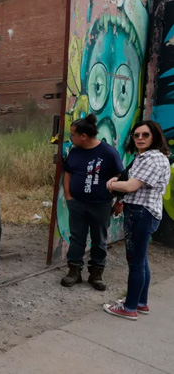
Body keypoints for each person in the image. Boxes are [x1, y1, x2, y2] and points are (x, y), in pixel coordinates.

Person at [104, 120, 171, 320]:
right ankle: (140, 303)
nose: (140, 138)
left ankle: (130, 307)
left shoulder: (153, 158)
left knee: (135, 262)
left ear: (155, 137)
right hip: (141, 212)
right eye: (136, 135)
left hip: (142, 214)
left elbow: (132, 186)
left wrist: (113, 184)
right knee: (141, 261)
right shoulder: (144, 157)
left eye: (145, 135)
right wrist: (120, 182)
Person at [61, 114, 124, 290]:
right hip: (77, 204)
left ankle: (96, 274)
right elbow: (68, 173)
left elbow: (120, 177)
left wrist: (119, 201)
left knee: (99, 240)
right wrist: (68, 197)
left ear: (83, 136)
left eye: (73, 134)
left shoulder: (108, 153)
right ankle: (74, 272)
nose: (70, 138)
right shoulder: (75, 152)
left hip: (101, 205)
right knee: (77, 239)